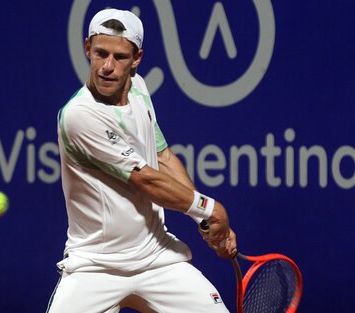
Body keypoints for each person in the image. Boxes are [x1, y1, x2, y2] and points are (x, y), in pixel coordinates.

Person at [46, 8, 237, 313]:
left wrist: (202, 219)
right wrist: (211, 209)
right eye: (100, 54)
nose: (107, 67)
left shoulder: (139, 89)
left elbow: (162, 156)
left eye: (120, 57)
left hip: (155, 258)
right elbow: (145, 179)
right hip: (95, 268)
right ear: (87, 49)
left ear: (136, 59)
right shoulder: (79, 115)